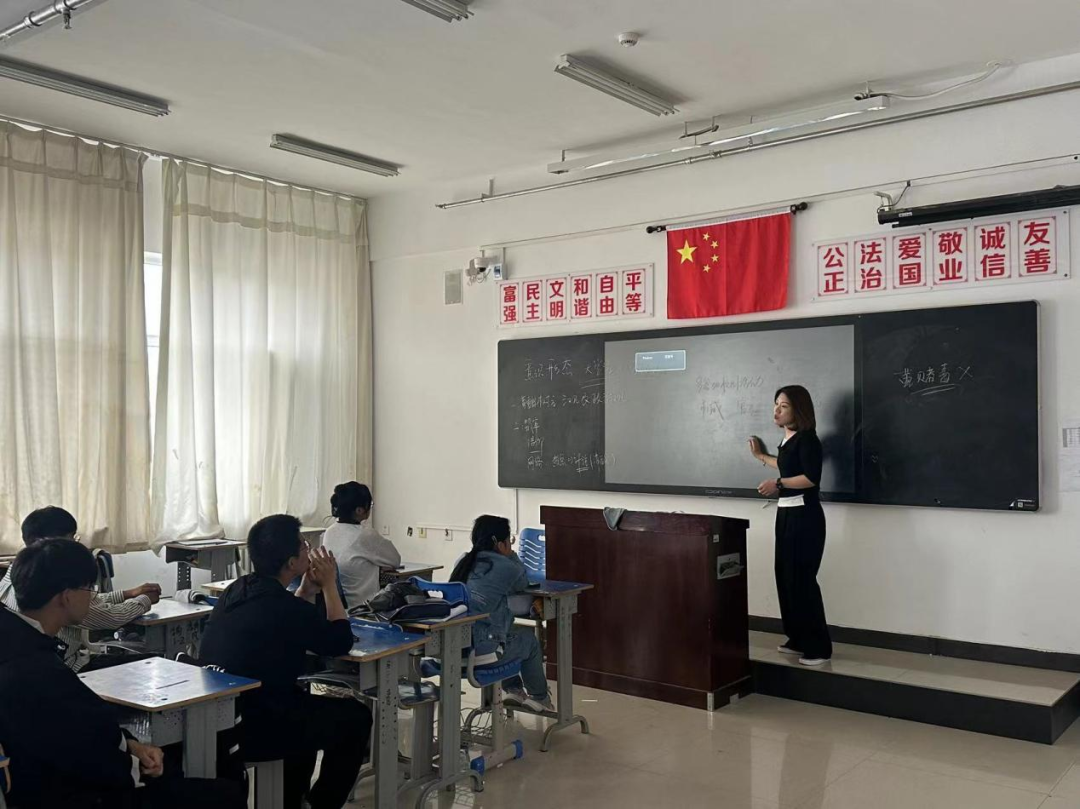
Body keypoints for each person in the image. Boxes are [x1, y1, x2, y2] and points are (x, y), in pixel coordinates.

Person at [0, 539, 246, 809]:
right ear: (66, 596)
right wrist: (138, 767)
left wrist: (130, 744)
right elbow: (88, 759)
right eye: (90, 589)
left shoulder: (16, 638)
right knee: (224, 795)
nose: (92, 596)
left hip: (46, 783)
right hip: (75, 794)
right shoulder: (37, 671)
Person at [199, 514, 370, 809]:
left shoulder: (236, 590)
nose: (309, 549)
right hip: (256, 727)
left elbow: (285, 619)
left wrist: (306, 590)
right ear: (291, 562)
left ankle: (292, 801)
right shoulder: (285, 608)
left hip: (219, 718)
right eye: (304, 545)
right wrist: (329, 585)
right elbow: (340, 641)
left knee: (302, 705)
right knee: (356, 717)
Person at [0, 506, 162, 671]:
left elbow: (86, 599)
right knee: (155, 664)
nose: (75, 544)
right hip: (70, 666)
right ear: (48, 543)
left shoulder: (17, 572)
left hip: (58, 661)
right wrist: (145, 600)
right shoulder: (56, 584)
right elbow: (110, 617)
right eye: (71, 538)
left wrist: (127, 594)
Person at [748, 384, 833, 666]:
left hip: (804, 518)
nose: (776, 411)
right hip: (786, 515)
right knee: (785, 577)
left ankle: (818, 648)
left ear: (799, 410)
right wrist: (761, 457)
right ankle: (797, 638)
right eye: (776, 404)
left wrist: (779, 484)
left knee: (802, 580)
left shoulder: (808, 440)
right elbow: (786, 464)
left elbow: (810, 478)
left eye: (783, 406)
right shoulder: (789, 440)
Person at [449, 515, 553, 712]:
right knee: (529, 640)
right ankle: (541, 698)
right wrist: (511, 554)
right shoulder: (506, 567)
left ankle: (514, 690)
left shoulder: (463, 561)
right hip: (480, 651)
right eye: (509, 540)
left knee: (507, 632)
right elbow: (522, 583)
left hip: (453, 648)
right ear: (500, 543)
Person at [321, 482, 401, 609]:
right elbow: (395, 560)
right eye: (370, 505)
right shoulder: (365, 534)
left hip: (337, 608)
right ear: (359, 510)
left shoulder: (329, 532)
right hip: (364, 608)